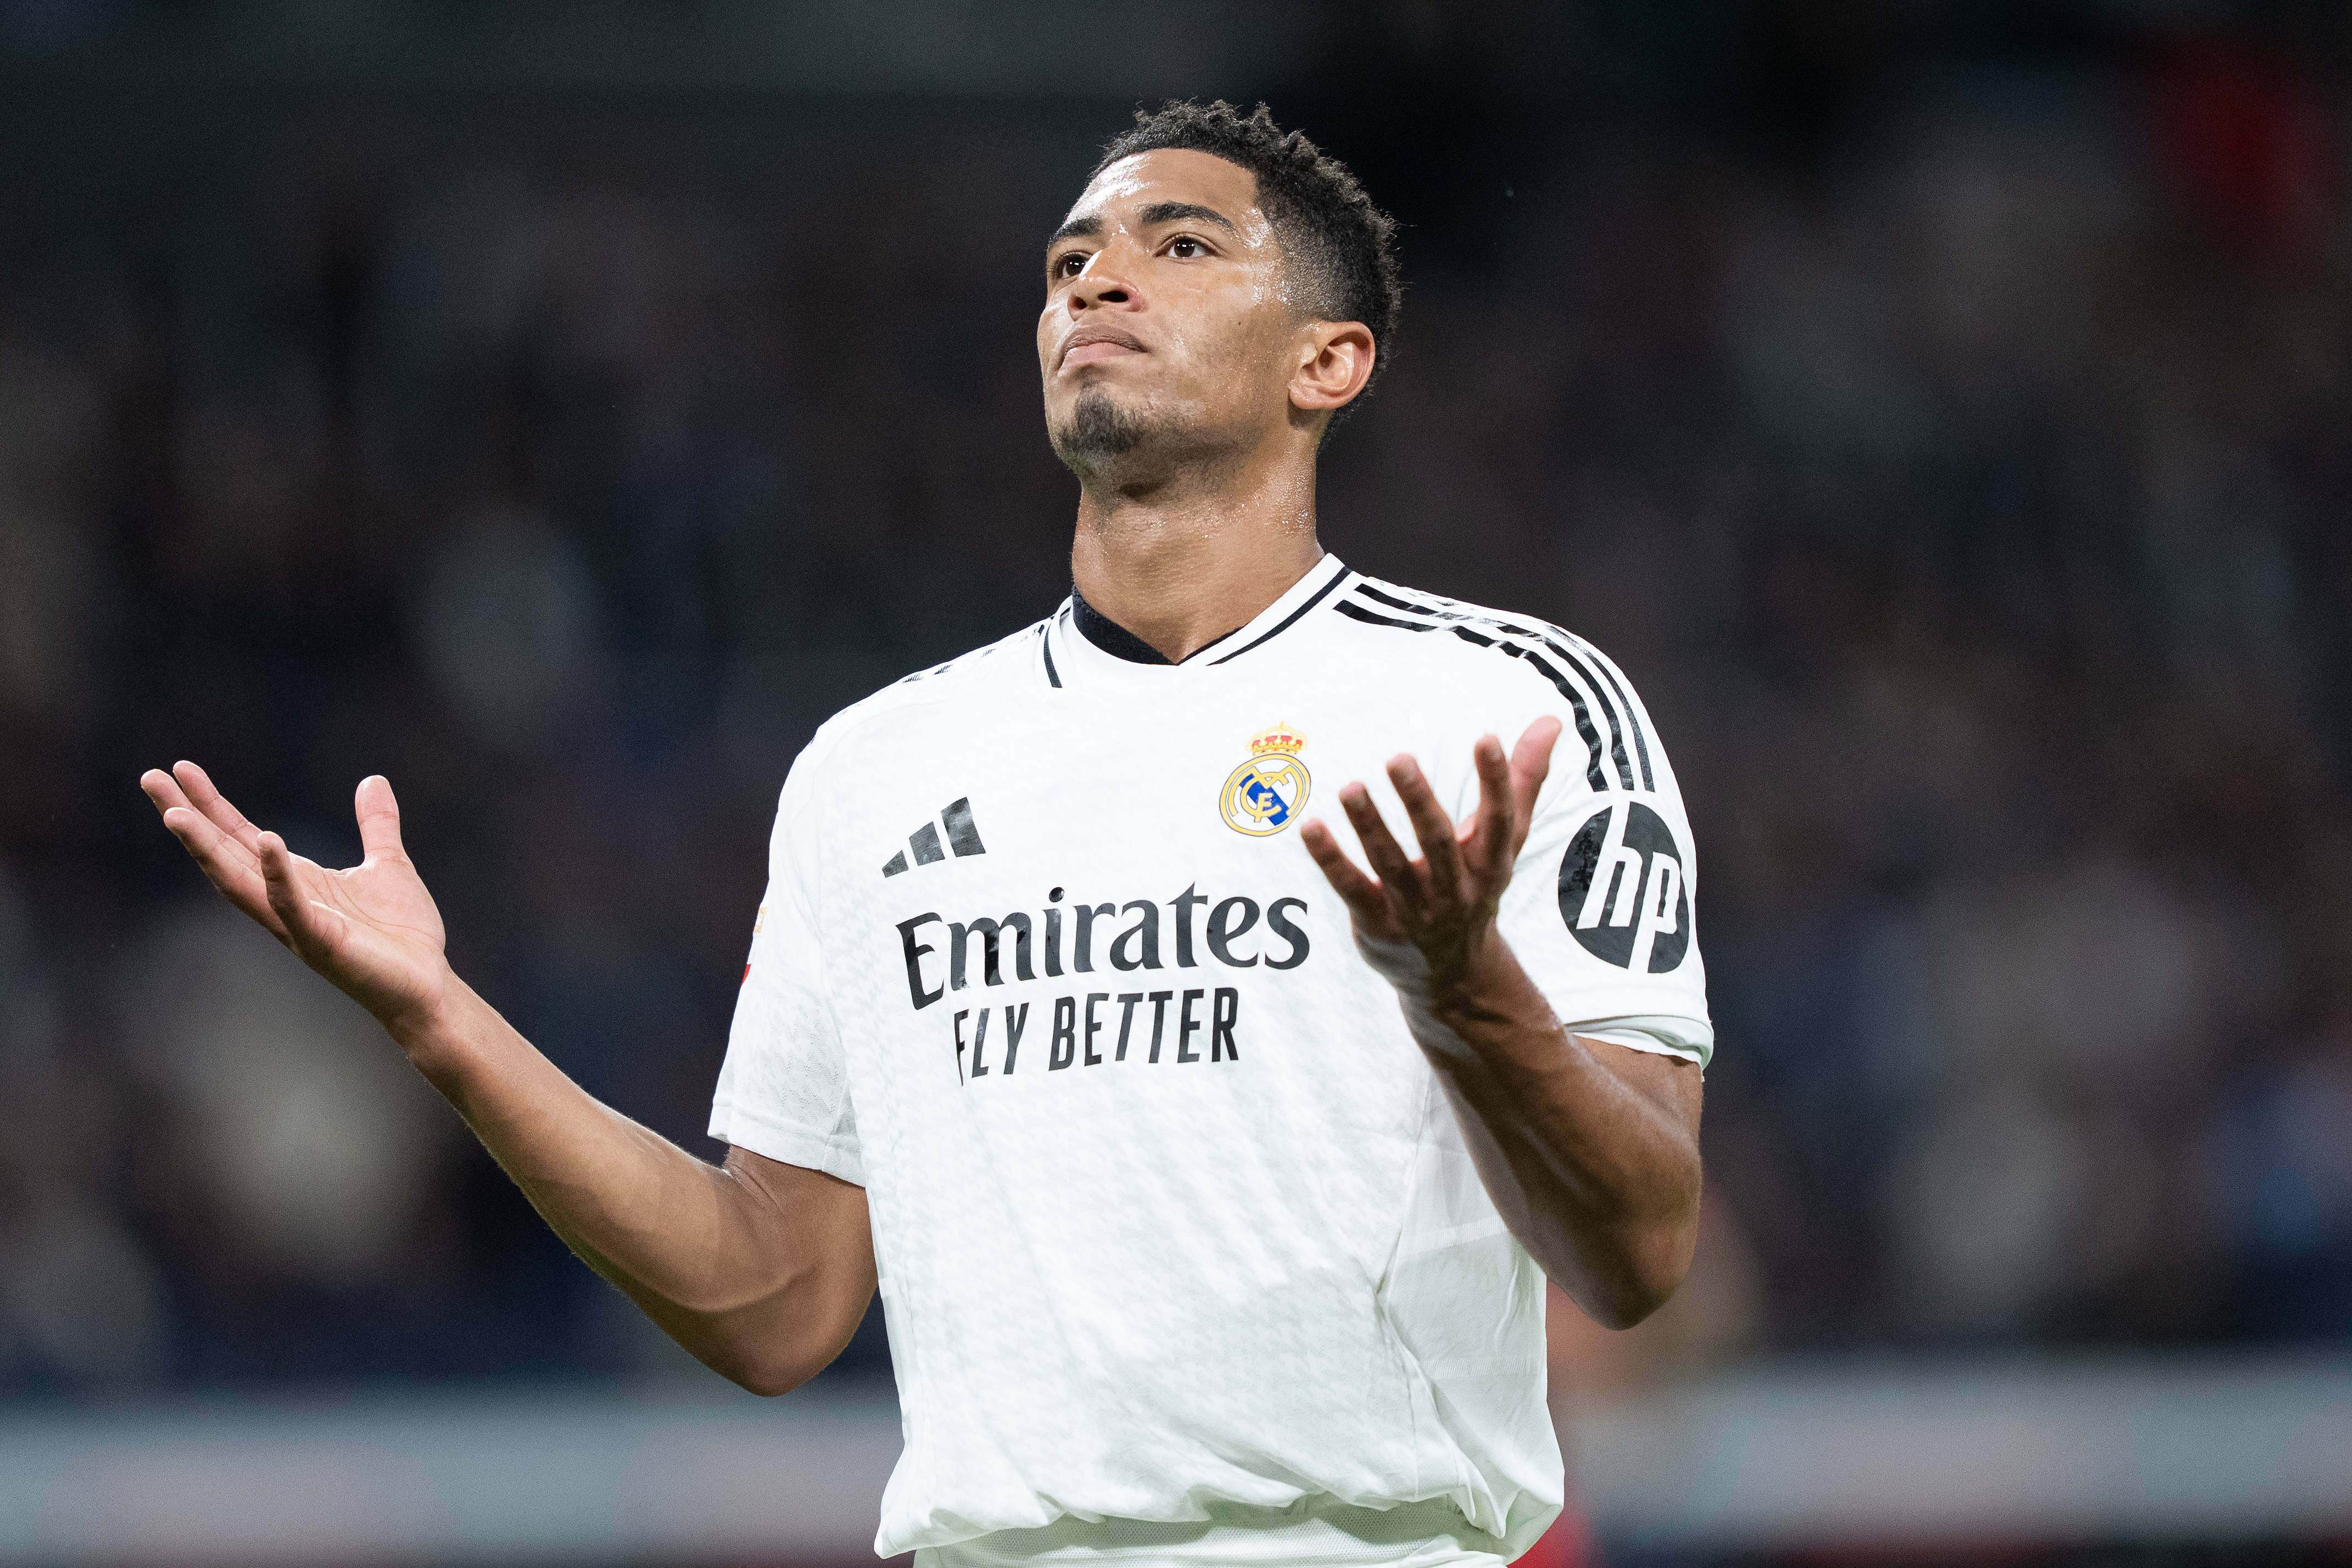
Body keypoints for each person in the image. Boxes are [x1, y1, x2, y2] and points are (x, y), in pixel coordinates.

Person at [141, 101, 1709, 1568]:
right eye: (1070, 259)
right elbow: (774, 1297)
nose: (1097, 278)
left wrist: (1462, 989)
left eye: (1179, 244)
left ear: (1330, 362)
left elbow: (1637, 1253)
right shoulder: (874, 770)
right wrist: (443, 1023)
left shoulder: (1507, 706)